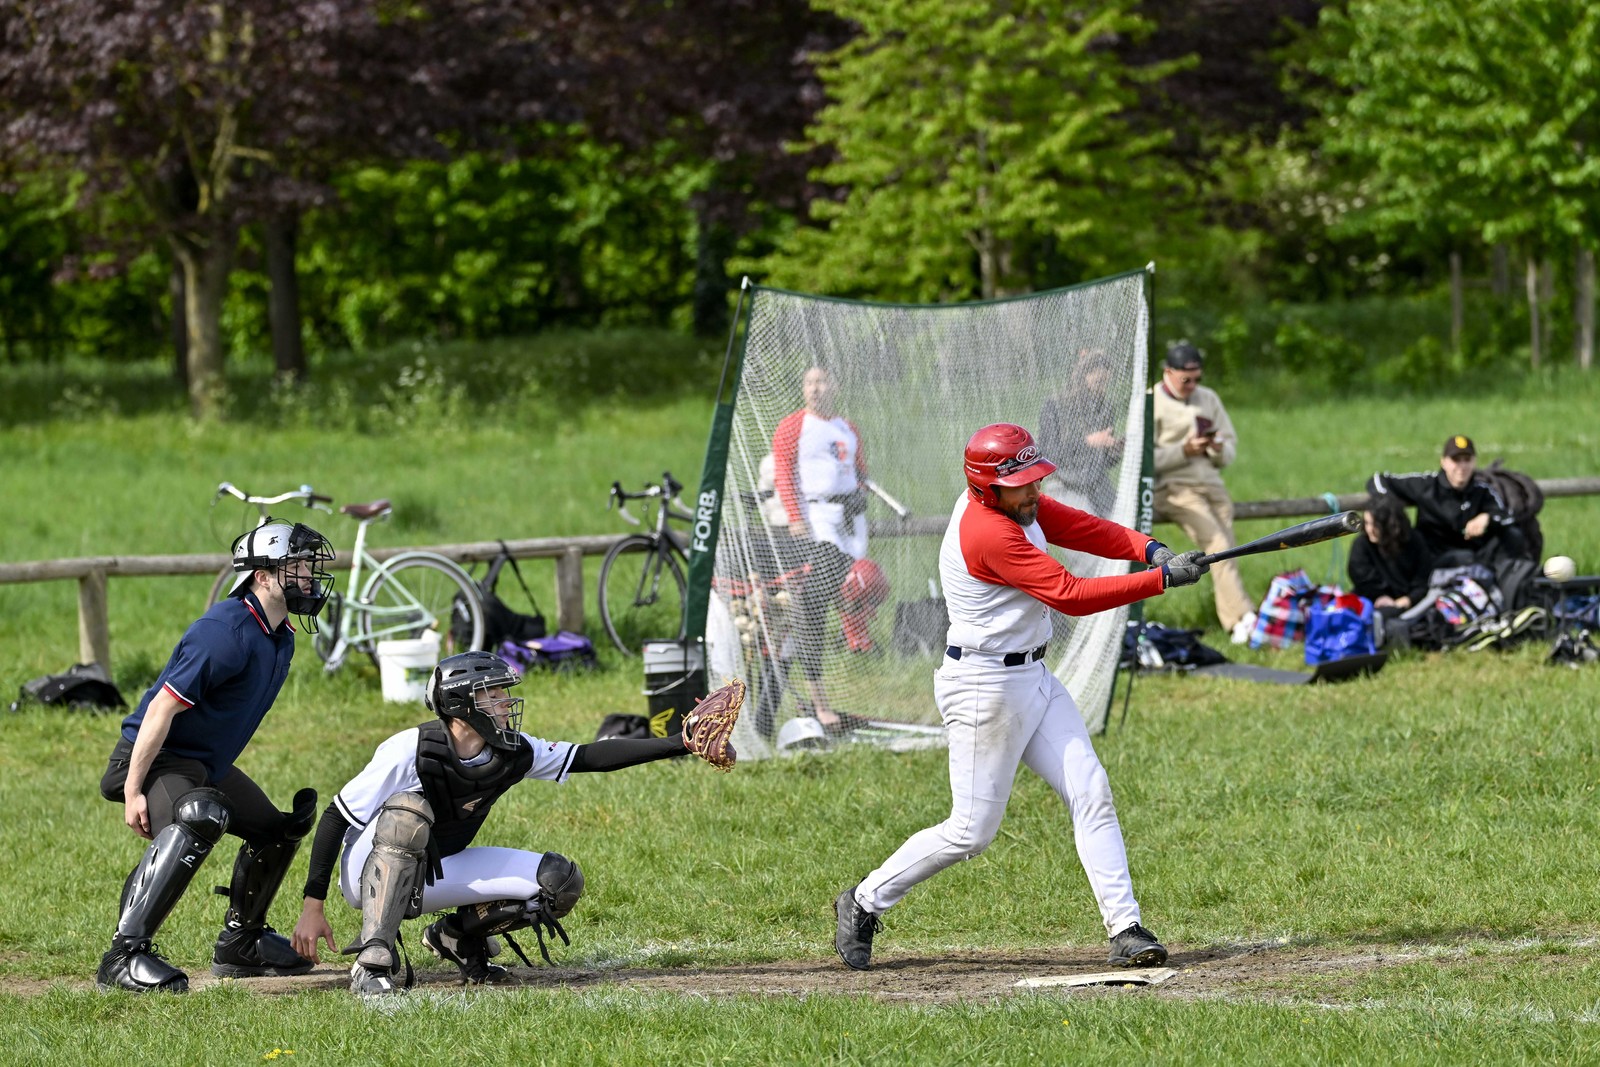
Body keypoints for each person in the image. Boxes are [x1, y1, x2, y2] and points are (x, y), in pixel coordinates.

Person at [832, 423, 1209, 972]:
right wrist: (1161, 581)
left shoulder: (1018, 506)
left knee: (1091, 790)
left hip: (1032, 676)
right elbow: (1070, 595)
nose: (1034, 492)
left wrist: (1147, 548)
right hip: (984, 690)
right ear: (989, 487)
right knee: (970, 832)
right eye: (1022, 484)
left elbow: (1077, 526)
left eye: (1035, 480)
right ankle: (864, 900)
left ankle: (1125, 928)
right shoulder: (989, 532)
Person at [290, 650, 734, 996]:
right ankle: (372, 962)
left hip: (436, 868)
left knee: (557, 882)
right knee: (409, 812)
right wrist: (314, 905)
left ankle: (455, 938)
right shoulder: (411, 748)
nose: (506, 702)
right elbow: (335, 818)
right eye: (494, 694)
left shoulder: (513, 749)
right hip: (366, 871)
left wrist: (683, 743)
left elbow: (590, 756)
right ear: (464, 704)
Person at [96, 520, 336, 993]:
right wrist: (132, 790)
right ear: (262, 577)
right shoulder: (223, 632)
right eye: (296, 566)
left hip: (199, 764)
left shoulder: (280, 634)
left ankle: (240, 943)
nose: (308, 575)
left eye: (308, 565)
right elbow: (162, 708)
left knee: (279, 828)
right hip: (153, 759)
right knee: (202, 816)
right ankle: (123, 956)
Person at [770, 364, 875, 732]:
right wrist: (796, 517)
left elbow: (860, 473)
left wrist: (861, 496)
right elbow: (784, 474)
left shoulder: (847, 428)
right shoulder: (793, 426)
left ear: (835, 385)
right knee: (812, 606)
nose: (815, 389)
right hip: (817, 519)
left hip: (849, 521)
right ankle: (817, 696)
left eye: (822, 381)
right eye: (809, 382)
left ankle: (854, 644)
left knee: (851, 588)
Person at [1150, 341, 1256, 644]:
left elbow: (1231, 448)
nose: (1193, 386)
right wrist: (1183, 450)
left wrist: (1217, 448)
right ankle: (1242, 618)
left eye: (1197, 379)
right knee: (1218, 542)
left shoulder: (1208, 398)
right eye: (1186, 380)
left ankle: (1236, 621)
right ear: (1168, 372)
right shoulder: (1151, 402)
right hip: (1174, 489)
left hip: (1213, 485)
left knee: (1228, 550)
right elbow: (1143, 460)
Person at [1367, 435, 1531, 568]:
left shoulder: (1482, 490)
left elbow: (1506, 517)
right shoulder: (1427, 485)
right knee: (1464, 558)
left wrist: (1487, 518)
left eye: (1467, 460)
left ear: (1474, 462)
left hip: (1476, 554)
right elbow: (1378, 480)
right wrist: (1389, 505)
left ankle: (1516, 590)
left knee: (1513, 536)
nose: (1461, 466)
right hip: (1434, 558)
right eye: (1455, 460)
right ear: (1443, 462)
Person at [1038, 349, 1124, 517]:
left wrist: (1115, 449)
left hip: (1098, 486)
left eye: (1106, 382)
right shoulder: (1055, 405)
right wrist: (1088, 442)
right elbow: (1048, 453)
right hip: (1064, 484)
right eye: (1098, 382)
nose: (1102, 388)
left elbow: (1103, 462)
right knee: (1089, 534)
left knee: (1124, 525)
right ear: (1082, 377)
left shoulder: (1105, 407)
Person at [1348, 496, 1433, 615]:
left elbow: (1422, 579)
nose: (1370, 530)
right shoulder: (1362, 544)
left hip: (1410, 603)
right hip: (1372, 602)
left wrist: (1408, 600)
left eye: (1375, 525)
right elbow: (1362, 577)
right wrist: (1380, 596)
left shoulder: (1415, 541)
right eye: (1367, 523)